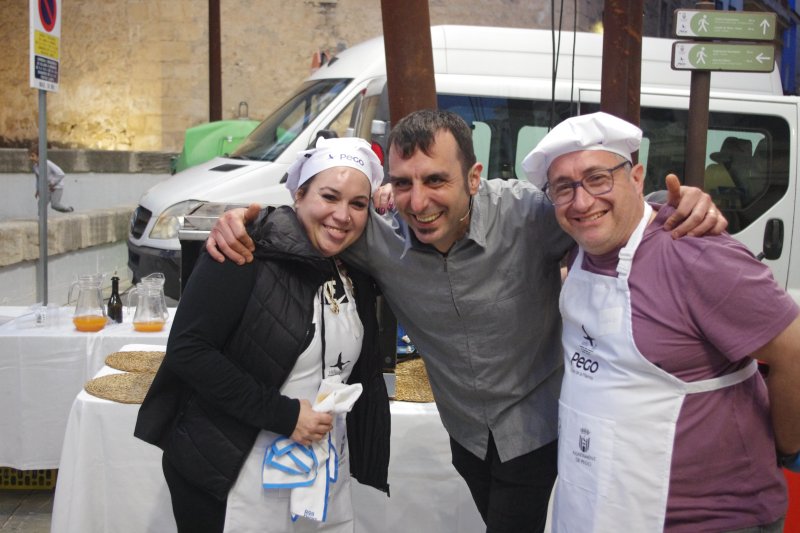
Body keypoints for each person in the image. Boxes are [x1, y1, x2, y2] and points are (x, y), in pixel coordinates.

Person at [205, 110, 725, 533]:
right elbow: (317, 216)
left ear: (474, 177)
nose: (419, 201)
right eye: (403, 184)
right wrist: (244, 219)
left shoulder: (527, 217)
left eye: (436, 180)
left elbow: (600, 211)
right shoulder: (380, 238)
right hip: (468, 438)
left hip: (539, 429)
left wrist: (675, 205)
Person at [522, 111, 800, 532]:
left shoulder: (696, 254)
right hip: (598, 507)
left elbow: (793, 349)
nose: (582, 202)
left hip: (705, 519)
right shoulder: (579, 251)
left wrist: (784, 445)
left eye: (598, 178)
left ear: (636, 177)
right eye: (564, 188)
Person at [134, 137, 390, 533]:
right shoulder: (244, 250)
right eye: (329, 196)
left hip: (317, 470)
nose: (343, 215)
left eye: (358, 204)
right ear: (299, 194)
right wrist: (285, 415)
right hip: (232, 469)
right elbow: (189, 350)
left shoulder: (353, 268)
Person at [28, 143, 74, 213]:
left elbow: (61, 174)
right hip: (48, 188)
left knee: (55, 205)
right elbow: (38, 179)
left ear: (39, 156)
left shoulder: (48, 163)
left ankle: (69, 209)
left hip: (57, 187)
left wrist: (52, 183)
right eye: (30, 156)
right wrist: (38, 189)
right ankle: (41, 220)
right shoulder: (35, 167)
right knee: (41, 204)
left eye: (32, 156)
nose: (30, 158)